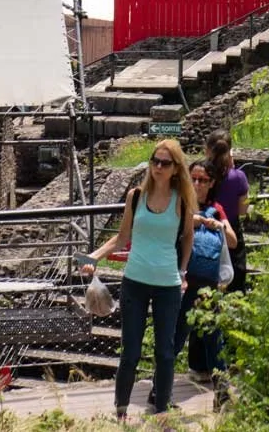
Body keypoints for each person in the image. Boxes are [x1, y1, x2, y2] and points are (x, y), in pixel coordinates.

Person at [87, 139, 194, 418]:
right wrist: (94, 256)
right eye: (155, 160)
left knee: (165, 352)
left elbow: (188, 238)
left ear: (175, 168)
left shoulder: (181, 201)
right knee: (130, 351)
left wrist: (182, 271)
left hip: (167, 284)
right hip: (135, 279)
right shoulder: (136, 196)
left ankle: (161, 412)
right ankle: (120, 411)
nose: (158, 167)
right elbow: (122, 237)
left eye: (165, 163)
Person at [180, 158, 240, 385]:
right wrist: (192, 221)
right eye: (193, 179)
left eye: (203, 180)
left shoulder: (216, 210)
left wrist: (218, 225)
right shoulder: (180, 204)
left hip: (207, 282)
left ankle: (222, 389)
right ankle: (159, 389)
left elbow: (233, 241)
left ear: (211, 182)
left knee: (213, 333)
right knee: (177, 336)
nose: (197, 184)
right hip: (183, 281)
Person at [204, 131, 251, 292]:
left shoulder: (201, 176)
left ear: (207, 150)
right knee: (234, 289)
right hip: (231, 234)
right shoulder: (239, 177)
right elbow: (243, 210)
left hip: (204, 231)